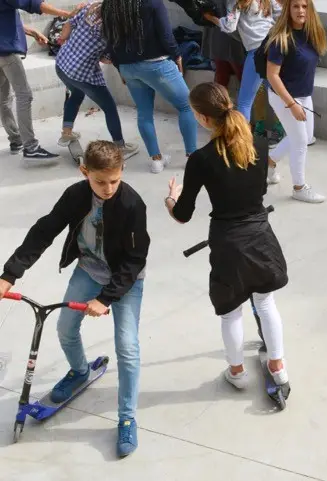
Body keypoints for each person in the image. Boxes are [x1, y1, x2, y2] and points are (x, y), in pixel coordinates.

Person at [0, 141, 150, 458]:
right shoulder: (76, 195)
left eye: (115, 180)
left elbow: (135, 260)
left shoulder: (132, 205)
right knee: (65, 328)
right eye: (100, 181)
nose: (108, 188)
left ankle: (127, 417)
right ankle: (80, 371)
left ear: (122, 172)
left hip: (125, 281)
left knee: (127, 347)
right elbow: (45, 230)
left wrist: (107, 298)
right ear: (85, 173)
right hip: (88, 269)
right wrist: (10, 274)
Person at [164, 82, 291, 390]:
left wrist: (171, 198)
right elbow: (258, 190)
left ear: (202, 117)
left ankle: (237, 372)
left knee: (230, 311)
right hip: (260, 233)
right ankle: (277, 364)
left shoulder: (201, 159)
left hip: (227, 242)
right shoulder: (259, 144)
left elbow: (182, 214)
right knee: (265, 301)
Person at [101, 0, 197, 174]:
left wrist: (119, 68)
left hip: (128, 67)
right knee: (186, 106)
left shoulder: (109, 4)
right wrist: (178, 56)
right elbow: (166, 35)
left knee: (144, 113)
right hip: (156, 65)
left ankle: (156, 161)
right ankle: (192, 158)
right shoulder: (152, 2)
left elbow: (110, 40)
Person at [54, 1, 139, 158]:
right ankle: (120, 147)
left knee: (77, 93)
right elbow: (107, 59)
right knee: (109, 108)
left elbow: (67, 27)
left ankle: (66, 132)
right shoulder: (114, 31)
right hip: (83, 74)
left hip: (62, 64)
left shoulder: (89, 8)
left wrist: (66, 42)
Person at [265, 0, 326, 201]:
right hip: (284, 96)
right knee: (300, 141)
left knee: (306, 137)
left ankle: (270, 161)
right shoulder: (280, 38)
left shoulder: (312, 34)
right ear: (288, 10)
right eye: (295, 6)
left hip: (303, 94)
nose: (300, 10)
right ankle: (299, 188)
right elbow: (272, 75)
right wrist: (291, 105)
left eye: (304, 6)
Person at [0, 0, 75, 162]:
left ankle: (16, 140)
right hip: (6, 53)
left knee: (4, 100)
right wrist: (67, 14)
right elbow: (32, 3)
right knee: (24, 95)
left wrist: (31, 31)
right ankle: (31, 147)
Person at [204, 0, 280, 122]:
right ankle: (297, 132)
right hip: (274, 47)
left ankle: (242, 138)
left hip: (257, 51)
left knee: (244, 102)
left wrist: (210, 18)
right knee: (277, 94)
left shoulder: (235, 2)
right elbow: (281, 15)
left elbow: (229, 26)